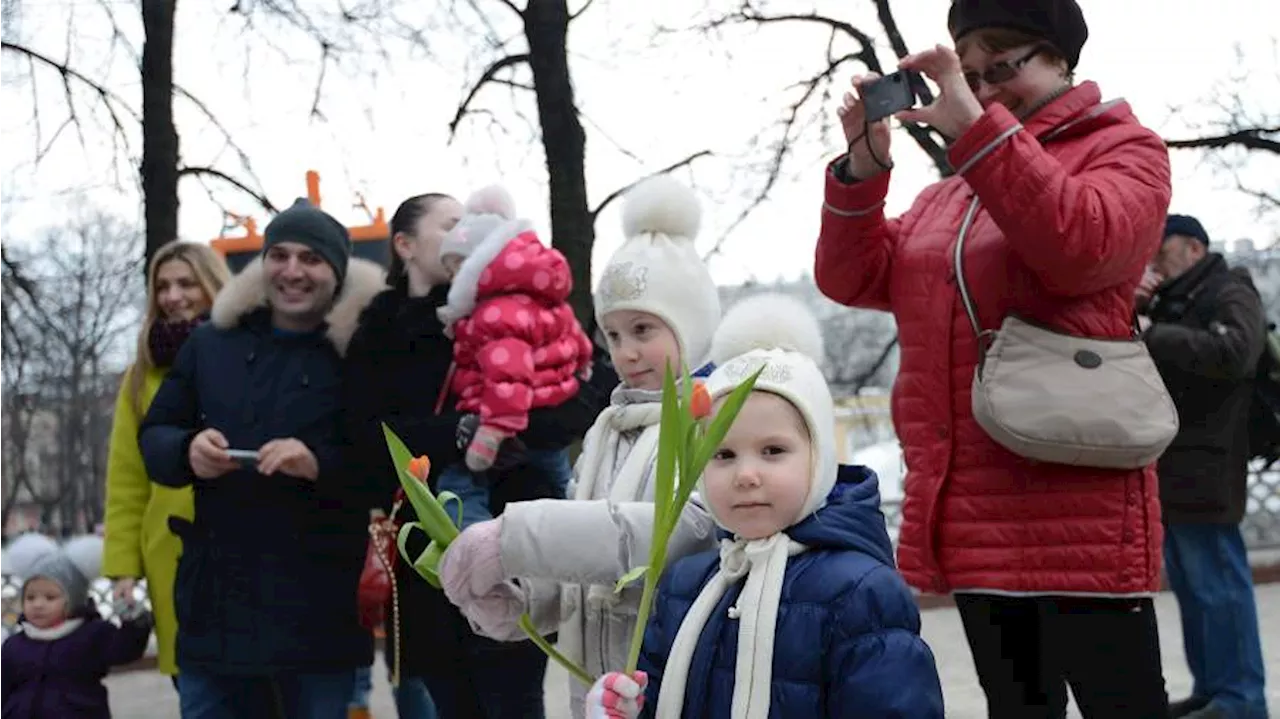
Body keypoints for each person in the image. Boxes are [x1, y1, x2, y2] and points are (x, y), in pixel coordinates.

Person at [814, 0, 1173, 716]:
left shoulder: (1126, 149)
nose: (983, 90)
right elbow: (853, 277)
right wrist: (863, 166)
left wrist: (977, 130)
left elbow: (1081, 246)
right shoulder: (948, 195)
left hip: (1080, 511)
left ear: (1062, 59)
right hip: (975, 511)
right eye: (967, 75)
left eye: (1000, 66)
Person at [437, 175, 723, 718]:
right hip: (597, 694)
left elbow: (683, 531)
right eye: (612, 336)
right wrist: (523, 603)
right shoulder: (606, 427)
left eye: (643, 329)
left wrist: (517, 537)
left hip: (671, 680)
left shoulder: (711, 417)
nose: (627, 352)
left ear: (690, 326)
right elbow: (584, 565)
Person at [588, 293, 945, 718]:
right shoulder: (684, 583)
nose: (746, 474)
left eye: (773, 450)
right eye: (723, 455)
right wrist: (622, 708)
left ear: (820, 459)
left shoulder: (862, 592)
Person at [341, 191, 613, 718]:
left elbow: (590, 382)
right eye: (452, 223)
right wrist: (458, 434)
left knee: (515, 698)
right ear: (406, 245)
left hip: (515, 547)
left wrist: (518, 433)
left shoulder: (510, 301)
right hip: (429, 559)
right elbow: (363, 437)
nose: (470, 230)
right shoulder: (380, 330)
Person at [139, 199, 385, 719]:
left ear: (336, 273)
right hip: (216, 609)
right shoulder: (211, 342)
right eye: (279, 254)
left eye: (311, 259)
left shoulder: (363, 352)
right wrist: (187, 451)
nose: (293, 271)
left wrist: (317, 463)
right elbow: (155, 434)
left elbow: (386, 467)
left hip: (319, 613)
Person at [1138, 215, 1269, 719]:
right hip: (1174, 463)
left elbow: (1236, 352)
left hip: (1210, 465)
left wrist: (1155, 332)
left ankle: (1242, 697)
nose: (1152, 256)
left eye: (1160, 246)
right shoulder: (1175, 298)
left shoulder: (1228, 287)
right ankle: (1214, 688)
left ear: (1193, 246)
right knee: (1195, 590)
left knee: (1220, 586)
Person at [102, 241, 229, 682]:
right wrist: (123, 568)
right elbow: (126, 478)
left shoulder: (246, 354)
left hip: (244, 543)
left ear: (213, 285)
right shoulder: (139, 378)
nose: (173, 296)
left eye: (186, 283)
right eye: (162, 286)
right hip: (169, 552)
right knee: (195, 688)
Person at [434, 184, 594, 528]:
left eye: (455, 270)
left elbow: (509, 379)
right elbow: (577, 342)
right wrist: (578, 370)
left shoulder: (494, 314)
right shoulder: (541, 298)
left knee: (457, 488)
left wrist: (490, 435)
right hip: (552, 417)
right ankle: (578, 540)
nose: (451, 281)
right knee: (562, 489)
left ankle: (475, 551)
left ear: (479, 263)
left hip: (507, 421)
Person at [0, 533, 153, 717]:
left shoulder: (91, 635)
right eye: (30, 597)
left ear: (73, 601)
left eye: (50, 597)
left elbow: (125, 650)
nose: (38, 604)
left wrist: (135, 624)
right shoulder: (14, 646)